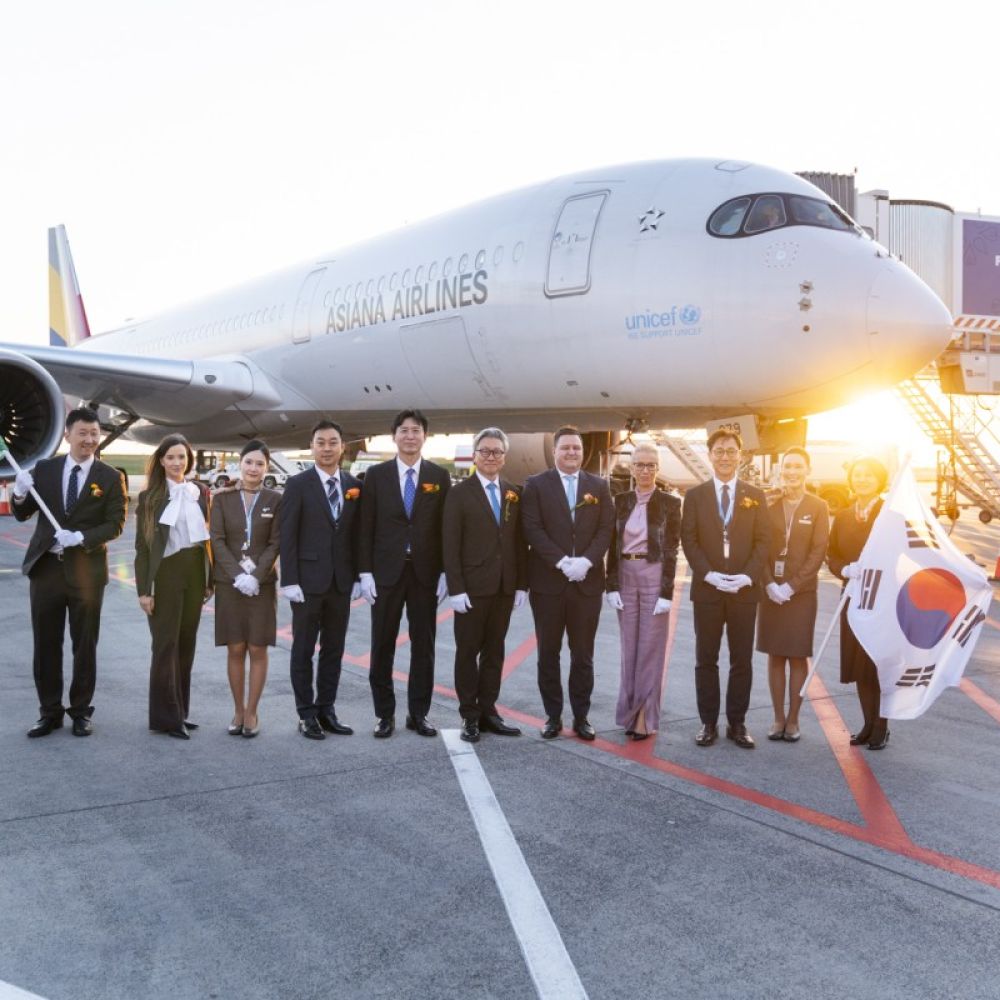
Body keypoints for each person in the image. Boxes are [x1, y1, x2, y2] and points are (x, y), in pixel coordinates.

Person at [11, 407, 127, 738]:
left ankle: (80, 711)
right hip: (47, 569)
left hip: (86, 572)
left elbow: (115, 523)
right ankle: (49, 712)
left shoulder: (110, 477)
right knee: (46, 644)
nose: (89, 439)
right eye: (83, 433)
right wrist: (19, 492)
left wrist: (81, 537)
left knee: (84, 645)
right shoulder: (45, 470)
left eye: (95, 434)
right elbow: (22, 513)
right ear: (68, 436)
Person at [358, 409, 450, 738]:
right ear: (394, 436)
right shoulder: (376, 475)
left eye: (416, 430)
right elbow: (366, 526)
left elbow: (445, 528)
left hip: (425, 574)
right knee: (382, 644)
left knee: (423, 646)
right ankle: (385, 714)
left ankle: (418, 713)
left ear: (425, 436)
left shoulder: (439, 476)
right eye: (404, 430)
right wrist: (365, 572)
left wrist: (445, 572)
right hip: (386, 573)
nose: (410, 436)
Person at [521, 426, 614, 740]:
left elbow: (606, 529)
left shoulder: (599, 486)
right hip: (548, 584)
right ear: (555, 452)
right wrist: (562, 562)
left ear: (582, 452)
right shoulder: (536, 485)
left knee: (583, 655)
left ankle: (581, 716)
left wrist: (586, 561)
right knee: (548, 653)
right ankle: (552, 716)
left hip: (587, 584)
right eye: (566, 448)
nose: (572, 452)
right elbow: (532, 528)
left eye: (576, 448)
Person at [680, 430, 769, 749]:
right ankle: (708, 722)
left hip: (744, 591)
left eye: (731, 451)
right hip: (708, 590)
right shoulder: (695, 496)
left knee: (741, 660)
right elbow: (689, 540)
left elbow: (764, 541)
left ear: (740, 456)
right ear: (710, 455)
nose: (725, 457)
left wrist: (748, 576)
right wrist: (708, 575)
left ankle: (737, 723)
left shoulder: (755, 495)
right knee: (706, 658)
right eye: (719, 451)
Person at [442, 427, 528, 743]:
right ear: (475, 455)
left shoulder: (513, 493)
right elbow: (450, 544)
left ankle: (489, 711)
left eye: (497, 452)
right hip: (471, 589)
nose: (491, 456)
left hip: (503, 588)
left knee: (494, 652)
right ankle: (469, 715)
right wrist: (456, 589)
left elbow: (519, 542)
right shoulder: (459, 493)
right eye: (485, 451)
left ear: (504, 457)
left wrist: (521, 585)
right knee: (467, 653)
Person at [279, 421, 362, 740]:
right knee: (303, 650)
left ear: (342, 447)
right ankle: (306, 714)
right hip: (307, 582)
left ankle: (327, 710)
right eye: (321, 442)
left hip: (340, 582)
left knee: (333, 650)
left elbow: (356, 535)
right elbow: (288, 534)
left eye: (333, 442)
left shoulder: (354, 485)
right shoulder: (298, 484)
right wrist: (289, 579)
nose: (327, 448)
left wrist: (358, 575)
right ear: (312, 447)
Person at [134, 435, 213, 740]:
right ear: (161, 461)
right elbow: (142, 549)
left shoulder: (199, 492)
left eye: (182, 457)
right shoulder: (150, 497)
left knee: (186, 644)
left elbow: (206, 540)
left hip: (194, 571)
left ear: (188, 460)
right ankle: (165, 718)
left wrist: (208, 580)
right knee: (165, 645)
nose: (177, 463)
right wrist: (144, 590)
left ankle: (180, 712)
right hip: (165, 573)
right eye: (171, 457)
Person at [605, 443, 681, 741]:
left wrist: (666, 592)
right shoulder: (620, 501)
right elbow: (612, 545)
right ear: (632, 468)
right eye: (640, 464)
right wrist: (611, 585)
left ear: (658, 469)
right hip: (625, 575)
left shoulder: (670, 503)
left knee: (651, 648)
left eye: (651, 465)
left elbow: (672, 549)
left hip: (654, 576)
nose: (645, 470)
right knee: (629, 648)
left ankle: (643, 718)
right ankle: (628, 713)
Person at [756, 448, 829, 742]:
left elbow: (818, 551)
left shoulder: (818, 506)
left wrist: (792, 586)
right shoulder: (769, 503)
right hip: (771, 591)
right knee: (775, 654)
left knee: (798, 656)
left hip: (801, 594)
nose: (792, 472)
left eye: (798, 466)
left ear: (807, 470)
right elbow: (758, 546)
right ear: (780, 470)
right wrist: (769, 583)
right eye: (787, 466)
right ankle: (778, 718)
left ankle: (794, 720)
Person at [210, 440, 282, 739]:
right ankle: (238, 710)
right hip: (230, 583)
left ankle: (252, 712)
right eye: (249, 462)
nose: (253, 468)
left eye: (259, 464)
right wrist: (238, 575)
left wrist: (256, 575)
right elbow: (217, 540)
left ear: (267, 467)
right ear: (240, 464)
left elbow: (276, 542)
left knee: (257, 647)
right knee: (236, 647)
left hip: (261, 585)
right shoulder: (222, 498)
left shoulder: (275, 499)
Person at [827, 456, 890, 751]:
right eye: (857, 474)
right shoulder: (843, 515)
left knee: (877, 664)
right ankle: (867, 723)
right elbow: (832, 554)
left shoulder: (889, 514)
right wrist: (844, 569)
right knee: (859, 664)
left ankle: (881, 726)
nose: (862, 479)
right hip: (852, 596)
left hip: (881, 598)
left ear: (880, 480)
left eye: (868, 474)